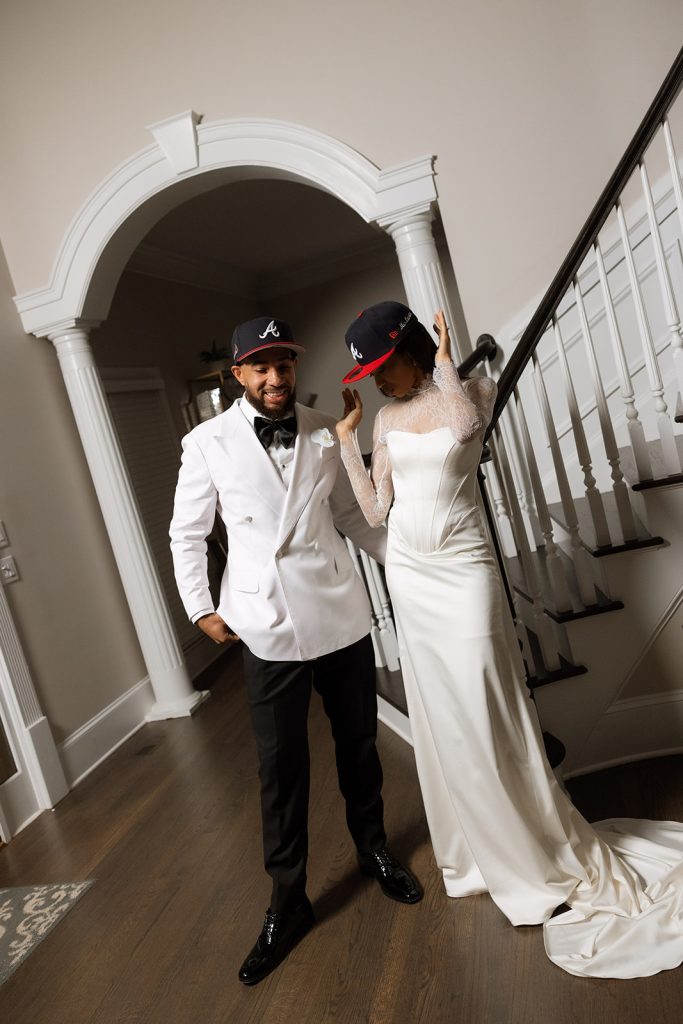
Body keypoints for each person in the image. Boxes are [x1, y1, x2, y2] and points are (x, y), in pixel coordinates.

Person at [336, 299, 683, 979]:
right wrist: (349, 442)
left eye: (384, 365)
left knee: (485, 703)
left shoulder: (469, 391)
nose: (377, 380)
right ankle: (474, 852)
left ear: (411, 348)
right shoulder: (383, 419)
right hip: (410, 576)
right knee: (444, 717)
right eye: (369, 372)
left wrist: (443, 361)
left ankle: (529, 845)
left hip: (463, 574)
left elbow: (465, 428)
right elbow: (376, 511)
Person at [170, 316, 422, 987]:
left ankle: (373, 850)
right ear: (238, 375)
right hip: (265, 623)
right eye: (261, 367)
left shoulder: (325, 428)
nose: (275, 377)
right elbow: (186, 533)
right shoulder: (206, 443)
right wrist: (201, 607)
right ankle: (288, 901)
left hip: (337, 610)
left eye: (283, 364)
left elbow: (350, 515)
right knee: (280, 768)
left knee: (358, 744)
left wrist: (410, 565)